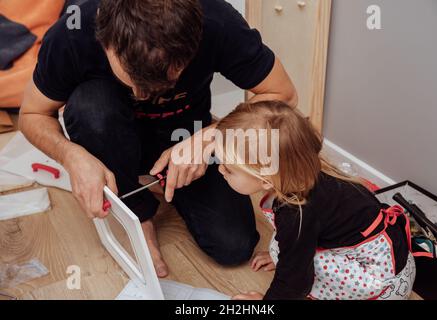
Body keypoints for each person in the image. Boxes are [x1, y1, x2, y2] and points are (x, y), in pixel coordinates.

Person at [18, 0, 297, 277]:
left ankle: (152, 180)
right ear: (106, 42)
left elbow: (283, 94)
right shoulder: (74, 30)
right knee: (92, 106)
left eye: (163, 83)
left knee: (233, 246)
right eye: (133, 80)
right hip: (106, 134)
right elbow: (32, 114)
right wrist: (72, 156)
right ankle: (139, 215)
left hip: (187, 133)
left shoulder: (216, 21)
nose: (143, 96)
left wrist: (211, 137)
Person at [214, 101, 416, 300]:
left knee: (288, 253)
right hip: (393, 258)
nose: (220, 170)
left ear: (266, 180)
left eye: (228, 169)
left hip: (380, 282)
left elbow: (294, 281)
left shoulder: (296, 214)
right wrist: (285, 253)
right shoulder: (308, 171)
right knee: (283, 246)